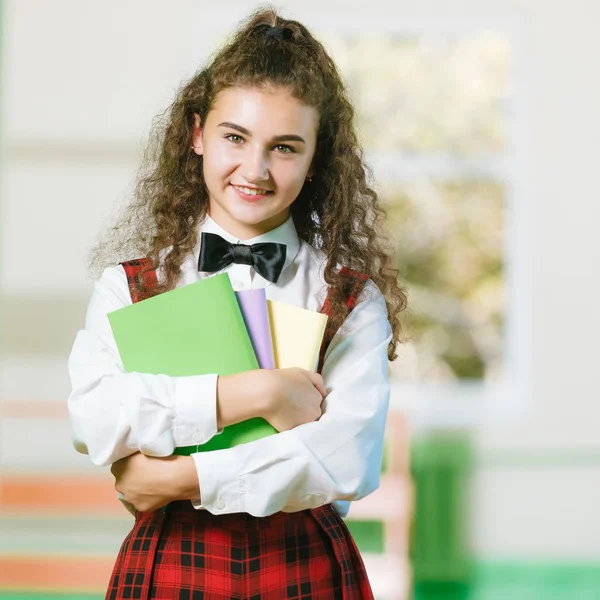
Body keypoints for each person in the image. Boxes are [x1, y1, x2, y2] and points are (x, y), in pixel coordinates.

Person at [67, 5, 407, 599]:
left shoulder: (351, 298)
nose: (255, 169)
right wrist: (258, 393)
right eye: (235, 137)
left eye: (284, 147)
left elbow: (347, 460)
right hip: (171, 565)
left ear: (316, 156)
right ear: (197, 133)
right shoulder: (127, 286)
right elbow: (96, 417)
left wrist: (178, 476)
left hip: (305, 566)